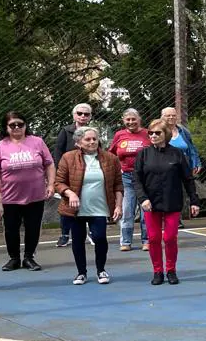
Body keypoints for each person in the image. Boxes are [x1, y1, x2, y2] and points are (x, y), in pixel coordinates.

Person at [54, 126, 124, 286]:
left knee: (100, 238)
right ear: (78, 142)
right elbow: (59, 182)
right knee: (78, 240)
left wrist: (118, 205)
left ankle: (101, 270)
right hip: (76, 209)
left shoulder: (110, 158)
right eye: (88, 139)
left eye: (94, 139)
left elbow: (118, 185)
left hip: (100, 207)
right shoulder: (68, 158)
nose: (92, 142)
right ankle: (81, 273)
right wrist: (70, 194)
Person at [135, 119, 201, 284]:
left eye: (157, 133)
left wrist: (194, 200)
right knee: (153, 238)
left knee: (170, 237)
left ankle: (171, 270)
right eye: (151, 133)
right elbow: (137, 180)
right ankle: (158, 271)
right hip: (150, 204)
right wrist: (143, 199)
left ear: (166, 134)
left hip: (172, 202)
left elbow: (188, 179)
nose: (153, 136)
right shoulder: (143, 154)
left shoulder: (177, 154)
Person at [0, 111, 54, 271]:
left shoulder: (37, 142)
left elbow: (49, 164)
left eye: (20, 124)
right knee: (11, 229)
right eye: (12, 125)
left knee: (33, 227)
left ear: (26, 125)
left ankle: (29, 257)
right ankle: (14, 258)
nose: (17, 127)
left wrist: (51, 184)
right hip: (9, 196)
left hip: (35, 195)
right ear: (6, 127)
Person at [109, 109, 151, 252]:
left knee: (146, 210)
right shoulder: (119, 135)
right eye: (128, 119)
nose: (131, 122)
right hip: (126, 177)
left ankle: (147, 241)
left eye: (134, 119)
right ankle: (126, 241)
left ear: (139, 119)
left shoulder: (148, 134)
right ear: (123, 120)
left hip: (145, 178)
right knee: (127, 210)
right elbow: (111, 154)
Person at [53, 102, 94, 247]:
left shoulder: (93, 132)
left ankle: (92, 233)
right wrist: (60, 172)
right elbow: (58, 151)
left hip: (89, 173)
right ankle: (65, 234)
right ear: (74, 115)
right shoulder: (65, 131)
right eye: (80, 113)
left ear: (90, 116)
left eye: (86, 114)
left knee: (90, 203)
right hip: (69, 174)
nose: (83, 116)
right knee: (67, 205)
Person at [159, 106, 202, 176]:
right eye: (168, 115)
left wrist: (196, 163)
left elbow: (191, 148)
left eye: (174, 115)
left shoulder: (183, 131)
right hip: (165, 170)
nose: (171, 117)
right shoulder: (158, 132)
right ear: (162, 117)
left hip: (185, 168)